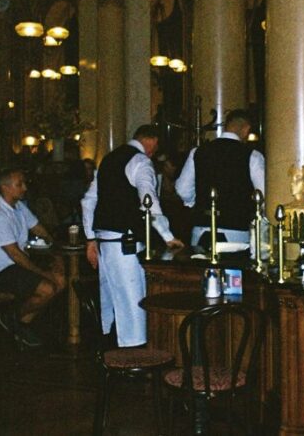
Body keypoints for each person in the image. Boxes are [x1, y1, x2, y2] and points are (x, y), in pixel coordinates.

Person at [81, 124, 184, 347]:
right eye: (155, 148)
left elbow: (88, 201)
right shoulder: (140, 161)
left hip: (106, 241)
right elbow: (148, 199)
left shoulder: (108, 160)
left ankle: (114, 351)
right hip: (125, 242)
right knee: (132, 301)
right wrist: (167, 236)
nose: (154, 153)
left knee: (112, 298)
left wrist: (90, 239)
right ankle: (135, 356)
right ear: (152, 142)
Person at [0, 168, 67, 347]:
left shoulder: (18, 207)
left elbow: (38, 228)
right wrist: (43, 273)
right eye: (20, 184)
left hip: (14, 266)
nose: (25, 188)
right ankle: (14, 318)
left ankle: (19, 323)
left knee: (61, 281)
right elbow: (15, 255)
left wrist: (55, 251)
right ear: (5, 188)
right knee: (48, 288)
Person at [175, 109, 265, 249]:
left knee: (201, 269)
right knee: (233, 269)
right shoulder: (252, 156)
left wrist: (196, 203)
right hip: (236, 230)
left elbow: (182, 189)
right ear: (246, 129)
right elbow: (263, 194)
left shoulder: (198, 152)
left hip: (201, 229)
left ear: (226, 126)